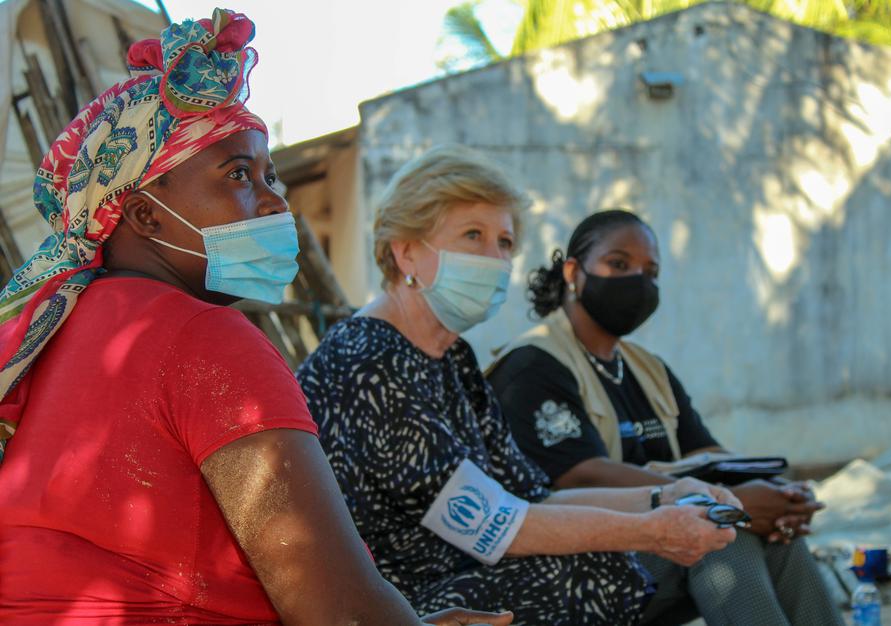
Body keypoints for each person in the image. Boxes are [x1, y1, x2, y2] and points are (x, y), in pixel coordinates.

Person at [0, 12, 511, 626]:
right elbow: (337, 611)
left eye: (270, 176)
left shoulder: (57, 334)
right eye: (238, 174)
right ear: (143, 215)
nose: (274, 200)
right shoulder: (202, 338)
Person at [296, 146, 741, 626]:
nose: (495, 259)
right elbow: (493, 524)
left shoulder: (451, 358)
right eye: (473, 235)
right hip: (387, 607)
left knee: (611, 560)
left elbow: (531, 496)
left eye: (504, 243)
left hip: (451, 578)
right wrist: (651, 531)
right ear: (406, 251)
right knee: (579, 571)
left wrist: (667, 496)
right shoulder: (370, 360)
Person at [488, 209, 845, 626]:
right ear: (573, 272)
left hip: (653, 543)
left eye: (650, 271)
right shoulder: (531, 366)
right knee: (720, 537)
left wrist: (767, 494)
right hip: (571, 562)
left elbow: (706, 452)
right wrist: (724, 503)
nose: (638, 281)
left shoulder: (647, 369)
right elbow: (579, 474)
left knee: (778, 534)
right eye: (619, 264)